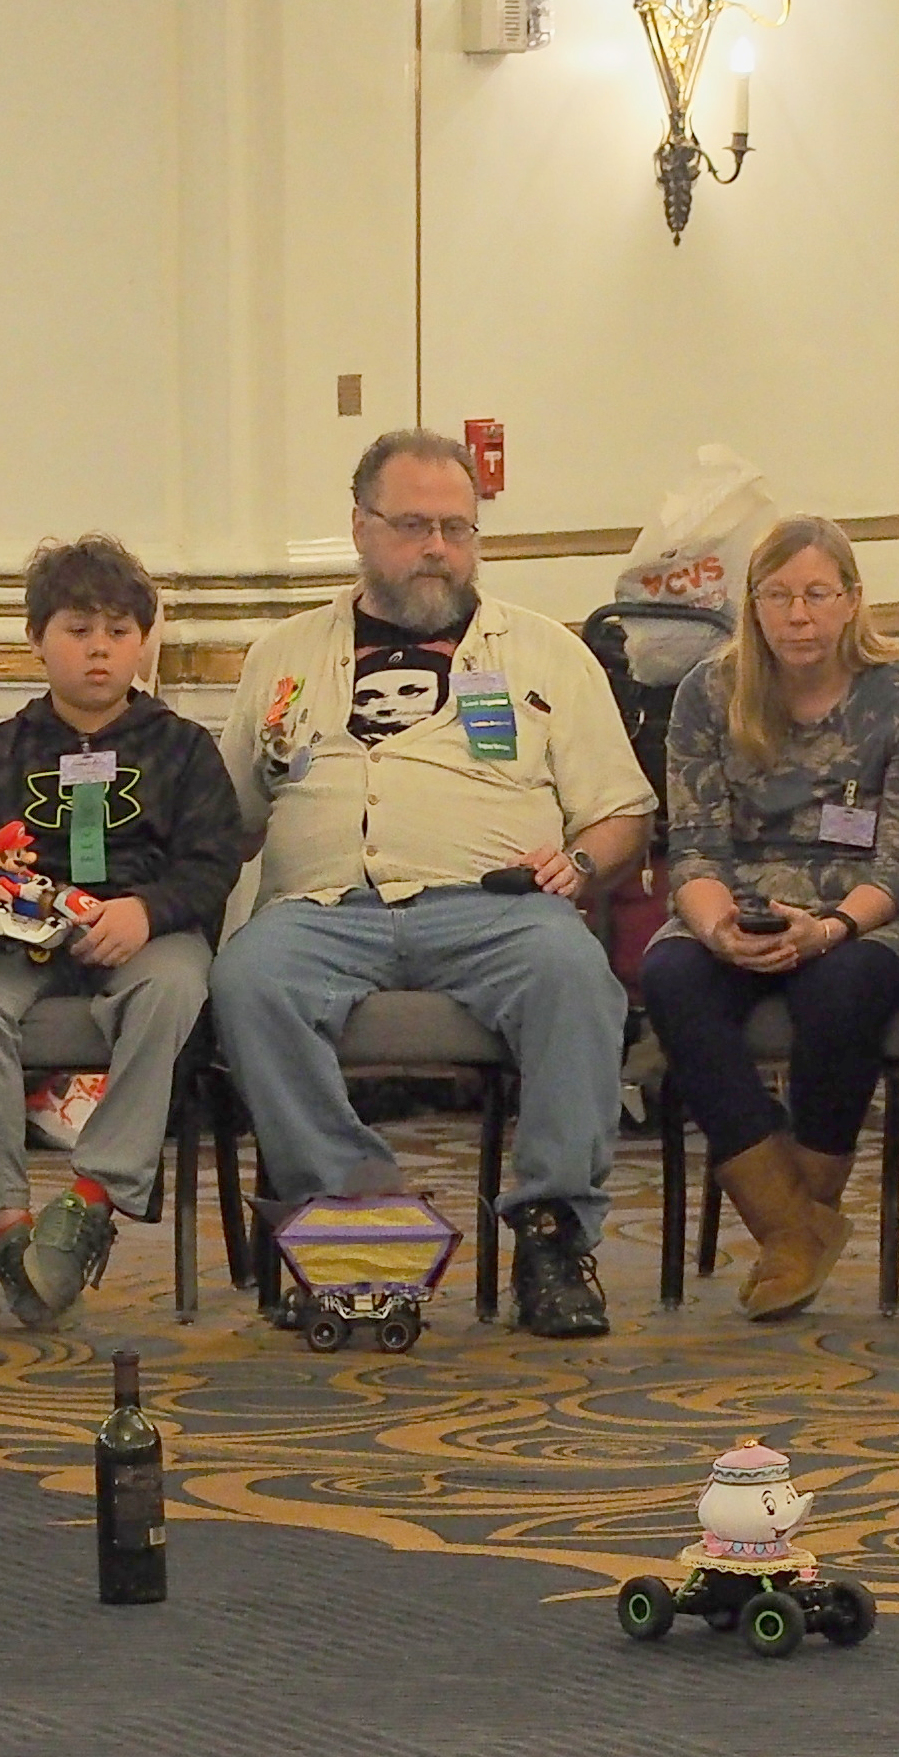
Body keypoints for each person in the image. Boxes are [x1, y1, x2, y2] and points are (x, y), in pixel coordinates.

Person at [209, 430, 657, 1339]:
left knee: (574, 973)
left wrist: (579, 863)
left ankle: (552, 1236)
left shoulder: (544, 653)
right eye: (414, 526)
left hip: (494, 908)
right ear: (360, 528)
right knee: (247, 978)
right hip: (323, 910)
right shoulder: (283, 655)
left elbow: (622, 814)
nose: (438, 548)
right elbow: (233, 820)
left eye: (458, 528)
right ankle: (352, 1214)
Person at [0, 537, 243, 1325]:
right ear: (36, 639)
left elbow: (213, 861)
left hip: (144, 934)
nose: (99, 649)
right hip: (23, 941)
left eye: (119, 632)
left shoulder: (183, 749)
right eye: (78, 630)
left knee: (175, 988)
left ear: (143, 643)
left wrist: (146, 911)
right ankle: (6, 1223)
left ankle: (92, 1199)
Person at [639, 516, 899, 1322]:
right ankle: (792, 1227)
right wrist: (717, 929)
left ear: (852, 600)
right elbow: (696, 849)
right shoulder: (708, 693)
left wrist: (828, 929)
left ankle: (792, 1229)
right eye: (778, 595)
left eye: (817, 594)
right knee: (672, 975)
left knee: (839, 986)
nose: (798, 615)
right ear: (753, 604)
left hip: (873, 914)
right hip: (741, 900)